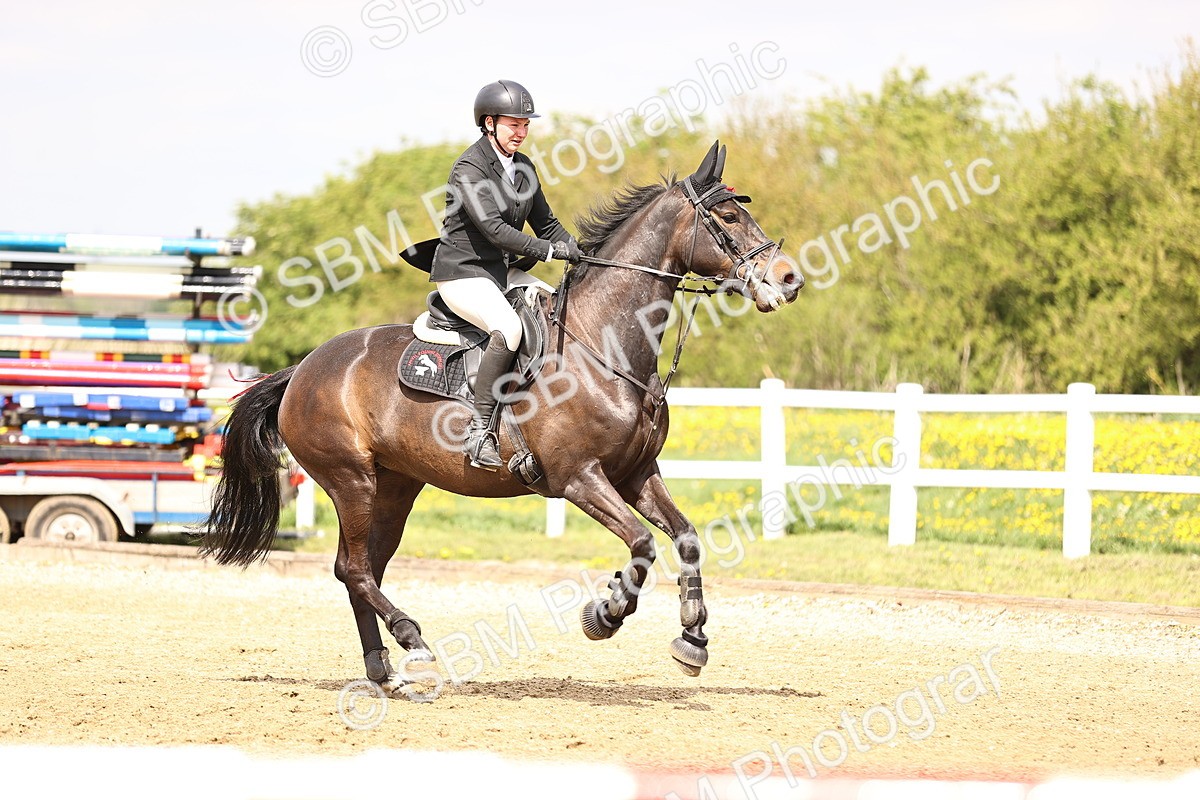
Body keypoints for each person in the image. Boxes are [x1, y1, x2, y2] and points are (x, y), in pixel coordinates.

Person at [431, 79, 582, 471]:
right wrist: (549, 252)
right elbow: (494, 229)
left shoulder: (524, 168)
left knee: (556, 310)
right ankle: (479, 431)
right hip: (463, 272)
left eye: (525, 124)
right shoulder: (469, 167)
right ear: (489, 123)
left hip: (503, 272)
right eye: (513, 124)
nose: (521, 131)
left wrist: (584, 252)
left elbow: (547, 224)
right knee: (510, 329)